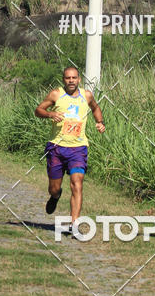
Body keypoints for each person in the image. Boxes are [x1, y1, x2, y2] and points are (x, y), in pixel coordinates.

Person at [35, 66, 105, 232]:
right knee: (54, 188)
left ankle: (74, 224)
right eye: (68, 78)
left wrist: (100, 122)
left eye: (74, 78)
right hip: (57, 147)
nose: (71, 81)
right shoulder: (56, 94)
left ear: (79, 79)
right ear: (63, 80)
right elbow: (38, 110)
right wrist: (50, 114)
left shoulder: (86, 95)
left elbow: (95, 107)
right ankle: (55, 196)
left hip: (78, 148)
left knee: (77, 183)